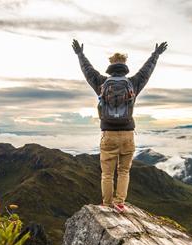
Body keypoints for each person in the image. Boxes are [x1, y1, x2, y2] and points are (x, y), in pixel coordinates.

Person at [72, 39, 168, 213]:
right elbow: (146, 71)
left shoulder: (102, 83)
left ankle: (107, 204)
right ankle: (120, 203)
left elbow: (88, 71)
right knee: (124, 171)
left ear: (110, 65)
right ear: (124, 65)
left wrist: (80, 54)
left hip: (108, 134)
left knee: (107, 173)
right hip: (127, 134)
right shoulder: (133, 83)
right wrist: (155, 55)